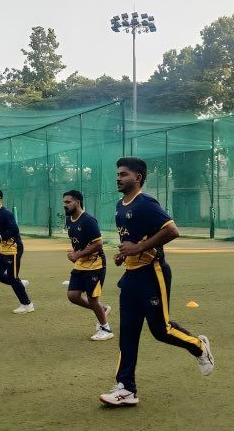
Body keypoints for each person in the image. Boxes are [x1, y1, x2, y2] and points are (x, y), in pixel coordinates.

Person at [99, 157, 214, 407]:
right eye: (117, 174)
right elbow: (133, 239)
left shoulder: (146, 203)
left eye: (124, 174)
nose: (118, 178)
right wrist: (124, 254)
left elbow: (171, 230)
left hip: (153, 274)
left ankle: (199, 347)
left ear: (137, 178)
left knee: (160, 330)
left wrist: (138, 247)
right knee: (127, 333)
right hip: (131, 277)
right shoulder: (120, 206)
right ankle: (126, 389)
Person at [62, 190, 112, 341]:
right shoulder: (70, 220)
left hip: (95, 265)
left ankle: (106, 329)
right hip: (81, 264)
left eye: (68, 202)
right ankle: (103, 310)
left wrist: (77, 255)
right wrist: (74, 253)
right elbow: (78, 242)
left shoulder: (88, 220)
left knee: (92, 299)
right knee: (73, 296)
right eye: (64, 202)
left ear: (77, 202)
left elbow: (98, 244)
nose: (65, 205)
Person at [0, 188, 33, 313]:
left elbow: (14, 230)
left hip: (14, 250)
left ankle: (27, 305)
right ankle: (20, 282)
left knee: (12, 278)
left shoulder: (5, 213)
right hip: (3, 249)